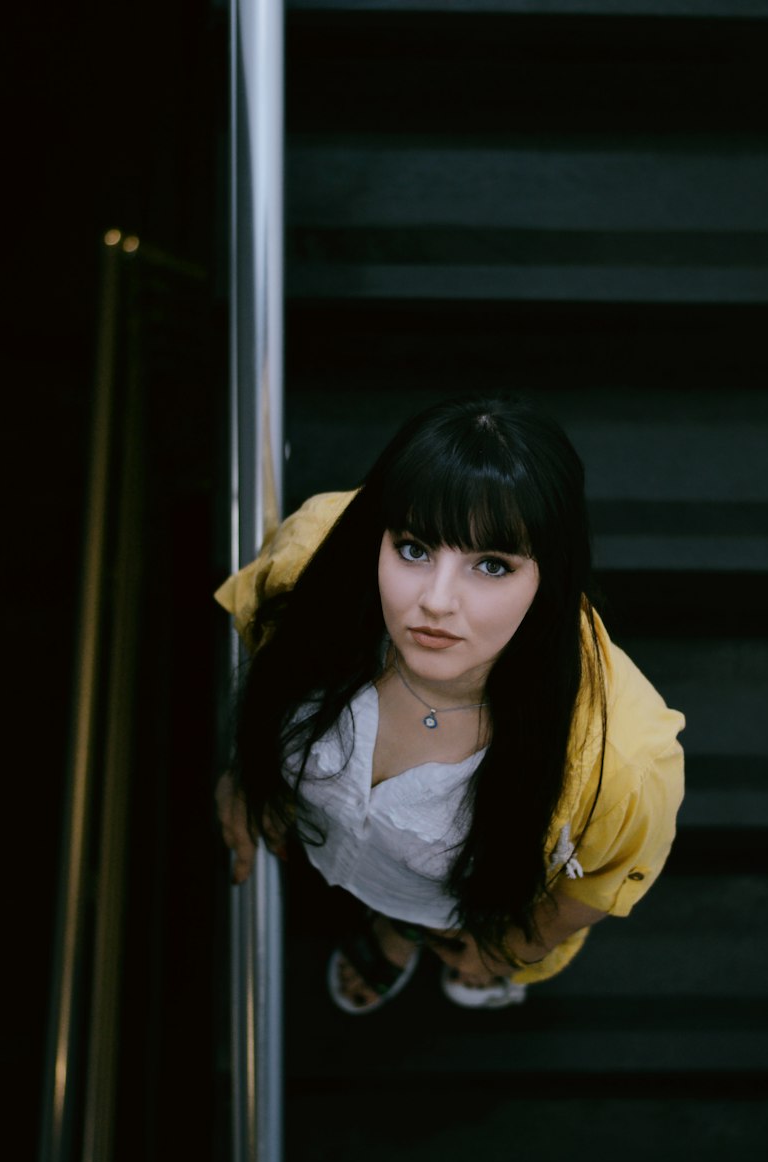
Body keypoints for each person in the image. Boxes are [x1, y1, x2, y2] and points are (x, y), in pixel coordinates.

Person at [215, 394, 685, 1012]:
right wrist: (249, 772)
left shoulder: (618, 763)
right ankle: (390, 925)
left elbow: (602, 875)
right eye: (414, 549)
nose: (436, 601)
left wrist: (515, 943)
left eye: (491, 564)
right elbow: (270, 652)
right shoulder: (313, 568)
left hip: (471, 907)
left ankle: (408, 933)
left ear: (552, 577)